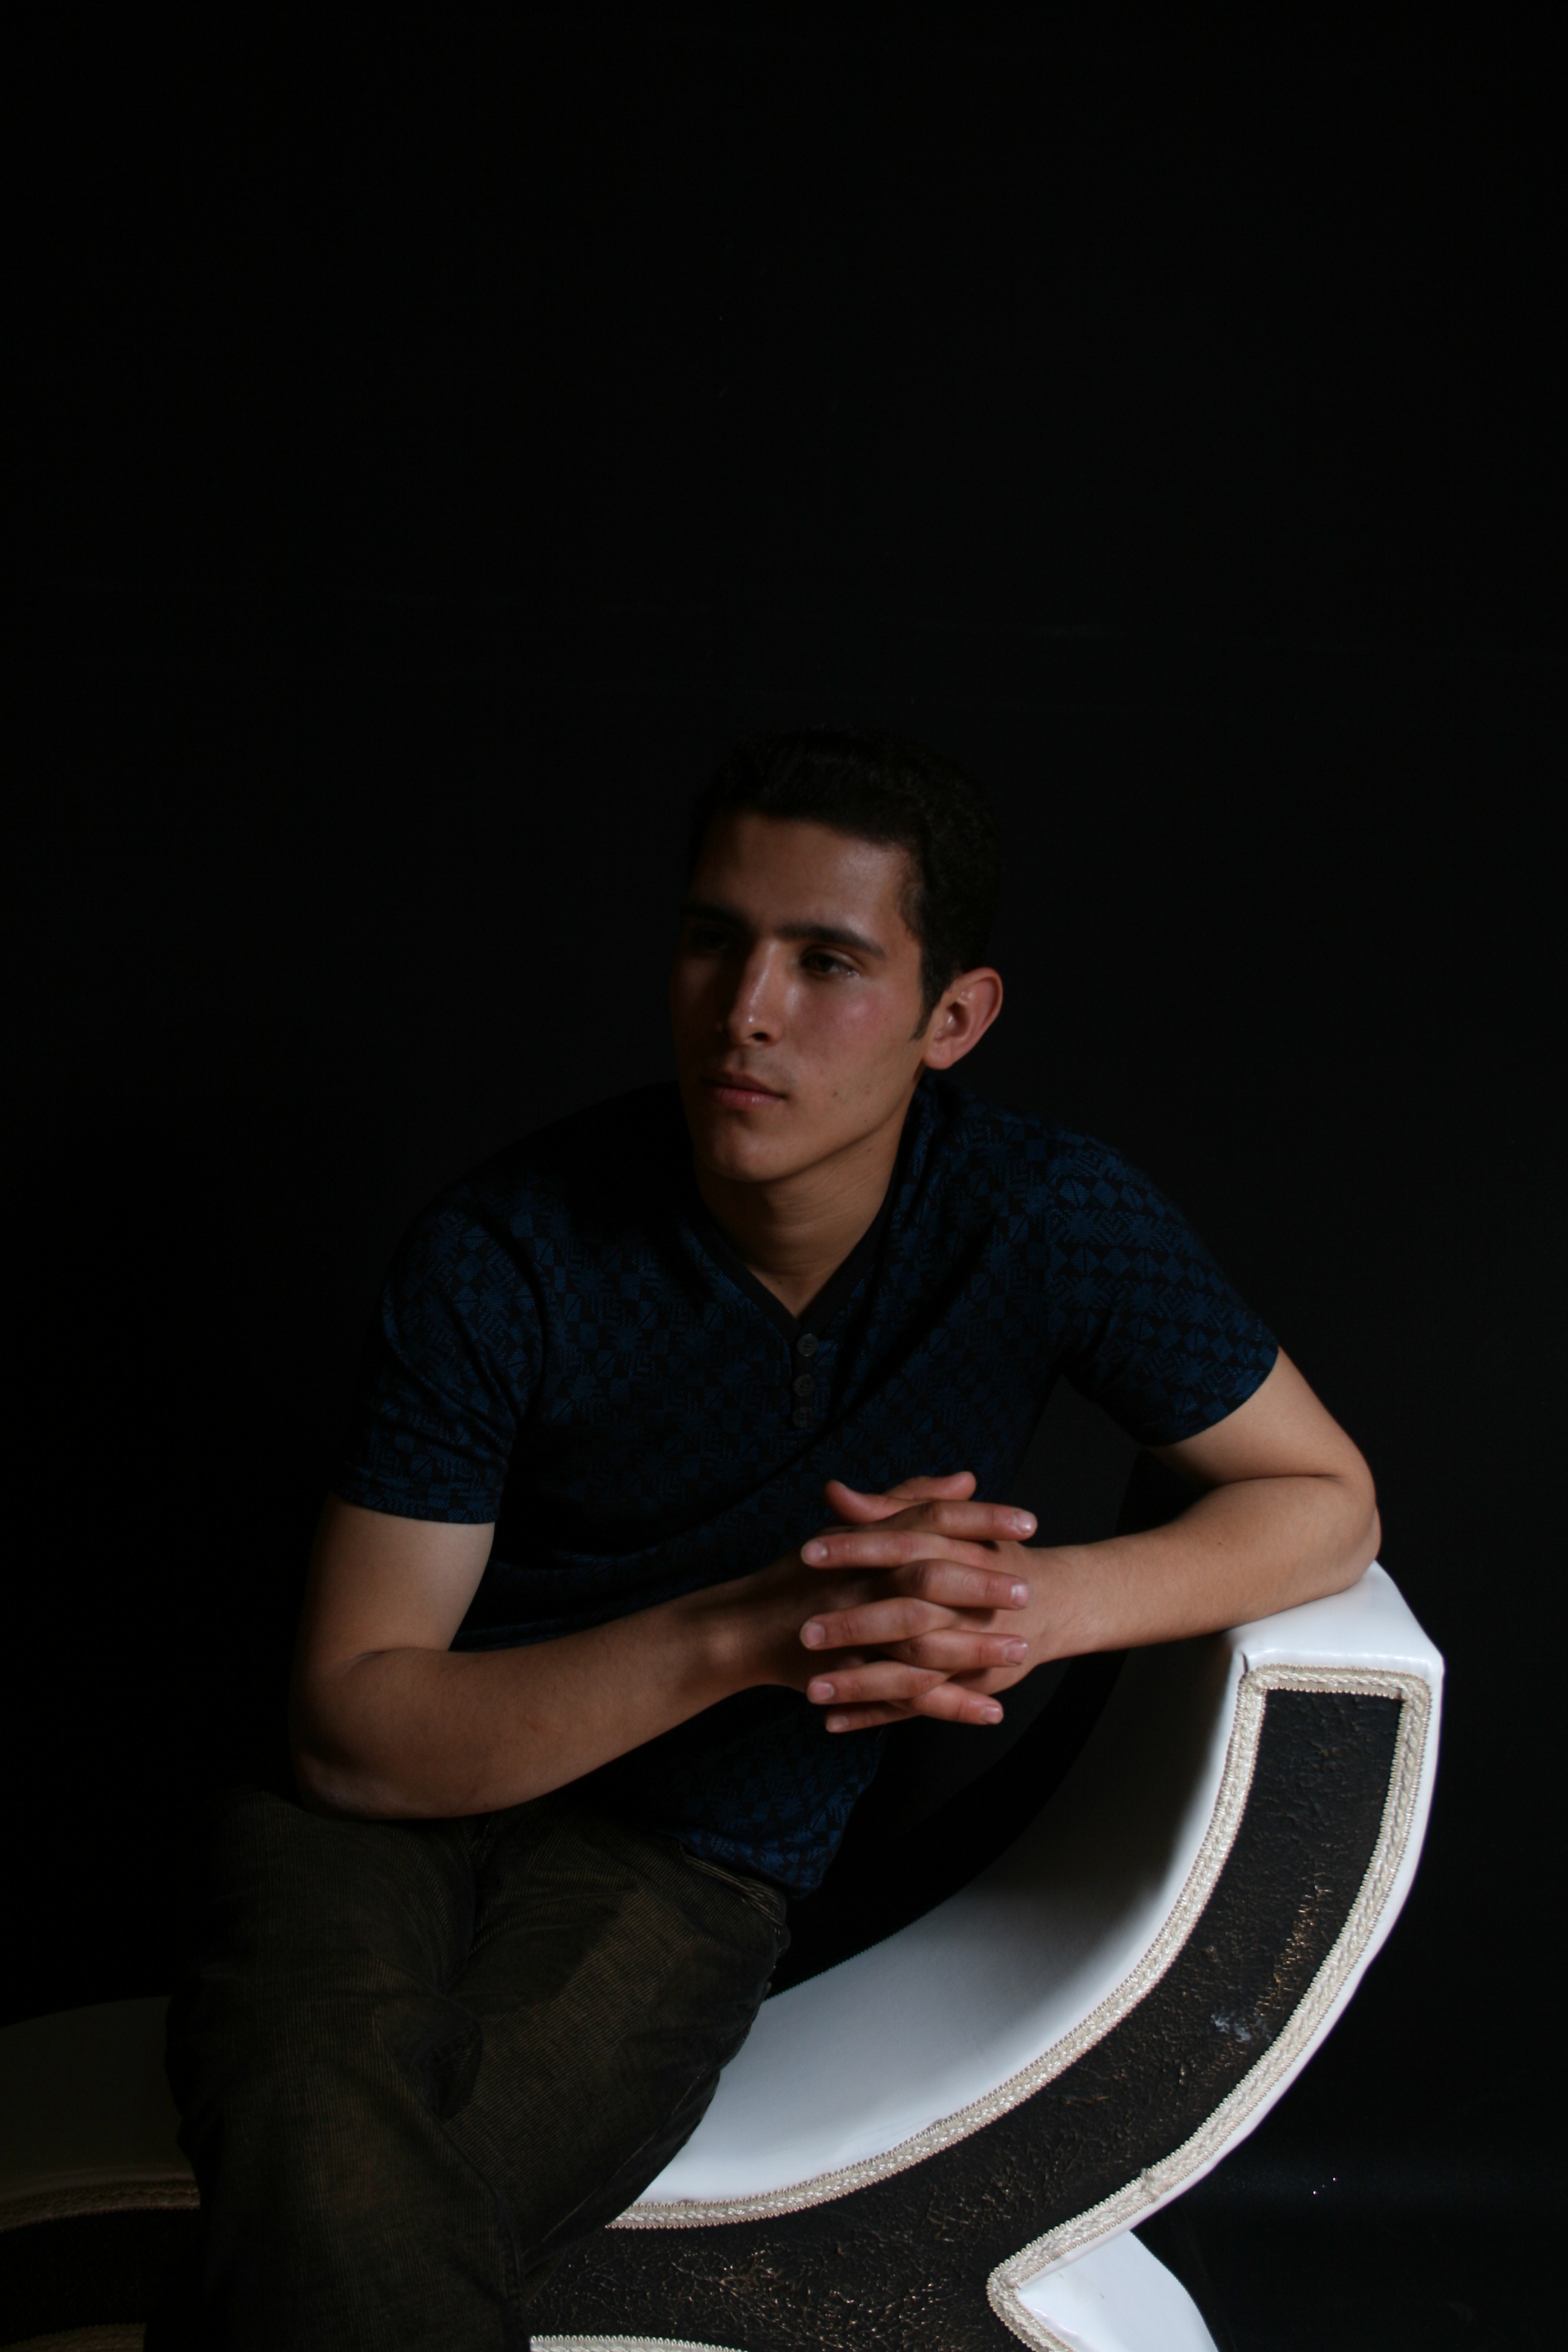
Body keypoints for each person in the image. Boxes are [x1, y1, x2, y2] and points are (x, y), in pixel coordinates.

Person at [151, 730, 1379, 2350]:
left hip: (693, 1852)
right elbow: (356, 1730)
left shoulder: (1046, 1217)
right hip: (400, 1804)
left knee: (385, 2202)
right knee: (320, 2138)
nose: (745, 1010)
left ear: (955, 1018)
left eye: (827, 963)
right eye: (712, 939)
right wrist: (757, 1629)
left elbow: (1328, 1499)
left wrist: (1023, 1602)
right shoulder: (504, 1251)